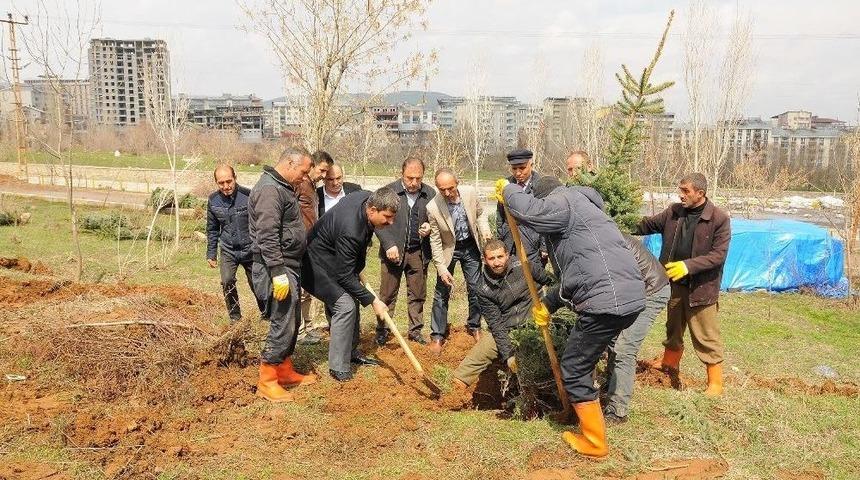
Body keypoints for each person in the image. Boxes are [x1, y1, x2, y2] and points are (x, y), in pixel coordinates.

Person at [499, 175, 645, 458]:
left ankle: (595, 442)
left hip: (606, 302)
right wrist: (547, 305)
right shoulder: (587, 210)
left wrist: (509, 190)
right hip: (629, 298)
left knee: (574, 367)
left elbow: (531, 212)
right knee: (585, 357)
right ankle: (592, 417)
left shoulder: (562, 201)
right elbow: (578, 273)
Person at [634, 172, 731, 397]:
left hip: (701, 287)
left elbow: (718, 255)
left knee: (706, 334)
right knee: (673, 326)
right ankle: (669, 365)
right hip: (674, 283)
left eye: (686, 191)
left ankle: (715, 382)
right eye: (680, 190)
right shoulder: (674, 213)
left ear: (700, 193)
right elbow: (647, 225)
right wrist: (621, 220)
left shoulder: (718, 219)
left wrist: (688, 266)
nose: (681, 195)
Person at [302, 187, 399, 382]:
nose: (391, 222)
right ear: (371, 210)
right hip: (313, 264)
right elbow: (344, 276)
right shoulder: (351, 230)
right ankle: (338, 366)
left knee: (352, 299)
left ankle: (350, 351)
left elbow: (347, 269)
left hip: (335, 257)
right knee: (344, 305)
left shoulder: (365, 197)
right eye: (387, 217)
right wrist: (373, 301)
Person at [248, 146, 318, 403]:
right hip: (274, 267)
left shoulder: (282, 187)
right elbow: (266, 234)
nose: (304, 176)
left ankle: (284, 370)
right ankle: (267, 380)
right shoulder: (270, 189)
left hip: (288, 264)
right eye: (302, 171)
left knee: (292, 319)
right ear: (289, 163)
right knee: (282, 319)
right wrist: (277, 271)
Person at [451, 239, 550, 388]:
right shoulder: (483, 288)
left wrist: (550, 305)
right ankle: (454, 390)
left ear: (507, 255)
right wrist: (508, 354)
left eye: (500, 257)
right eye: (491, 258)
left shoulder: (523, 265)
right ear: (484, 260)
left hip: (536, 321)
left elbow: (550, 280)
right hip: (508, 328)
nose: (497, 262)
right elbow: (496, 324)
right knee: (478, 356)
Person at [602, 233, 671, 424]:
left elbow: (618, 283)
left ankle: (618, 410)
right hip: (630, 292)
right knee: (613, 339)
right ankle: (611, 388)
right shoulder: (597, 239)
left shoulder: (611, 244)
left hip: (652, 291)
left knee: (625, 348)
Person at [426, 168, 492, 353]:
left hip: (470, 246)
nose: (447, 193)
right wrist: (441, 268)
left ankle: (475, 326)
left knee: (476, 288)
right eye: (442, 189)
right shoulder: (433, 207)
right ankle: (437, 335)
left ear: (458, 183)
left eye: (450, 188)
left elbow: (479, 214)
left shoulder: (470, 193)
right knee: (441, 291)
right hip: (449, 250)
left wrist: (484, 229)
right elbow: (436, 240)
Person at [374, 157, 436, 345]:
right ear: (402, 174)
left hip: (418, 252)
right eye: (410, 178)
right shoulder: (389, 192)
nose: (414, 182)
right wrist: (388, 244)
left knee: (417, 293)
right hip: (393, 252)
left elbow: (437, 219)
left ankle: (415, 331)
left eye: (418, 178)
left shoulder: (429, 193)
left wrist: (429, 227)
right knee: (387, 294)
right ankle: (383, 329)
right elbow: (376, 221)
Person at [206, 164, 266, 321]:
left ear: (235, 178)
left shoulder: (248, 196)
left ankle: (266, 313)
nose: (226, 186)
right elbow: (212, 229)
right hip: (228, 250)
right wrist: (211, 253)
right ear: (216, 183)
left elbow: (260, 223)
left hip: (251, 249)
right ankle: (235, 317)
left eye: (229, 181)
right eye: (221, 183)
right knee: (227, 281)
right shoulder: (213, 201)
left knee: (257, 283)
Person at [294, 150, 333, 344]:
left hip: (310, 243)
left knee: (308, 288)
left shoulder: (312, 186)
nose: (324, 176)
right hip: (299, 242)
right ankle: (299, 331)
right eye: (322, 170)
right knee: (300, 290)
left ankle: (309, 327)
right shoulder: (300, 184)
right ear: (312, 166)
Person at [496, 148, 541, 256]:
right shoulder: (505, 184)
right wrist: (500, 237)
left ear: (531, 165)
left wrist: (544, 246)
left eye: (522, 168)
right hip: (509, 241)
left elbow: (545, 217)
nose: (518, 172)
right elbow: (500, 215)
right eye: (514, 168)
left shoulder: (541, 185)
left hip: (532, 243)